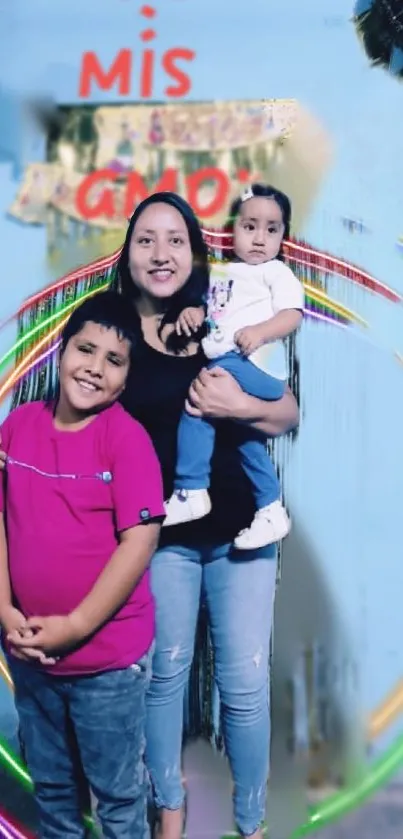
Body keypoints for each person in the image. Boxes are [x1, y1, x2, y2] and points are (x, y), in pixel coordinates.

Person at [0, 192, 299, 839]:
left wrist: (233, 406)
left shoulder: (221, 313)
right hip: (157, 533)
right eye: (145, 239)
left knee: (242, 682)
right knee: (162, 675)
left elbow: (286, 413)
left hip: (242, 528)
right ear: (128, 253)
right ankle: (168, 814)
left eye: (174, 239)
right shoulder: (107, 335)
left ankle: (250, 824)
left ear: (193, 249)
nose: (160, 253)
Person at [0, 291, 165, 839]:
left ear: (126, 378)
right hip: (31, 659)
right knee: (52, 793)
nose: (94, 368)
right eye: (85, 349)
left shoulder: (126, 442)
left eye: (113, 360)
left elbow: (138, 544)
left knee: (118, 801)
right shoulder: (18, 427)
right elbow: (2, 518)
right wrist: (4, 609)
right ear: (60, 351)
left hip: (108, 666)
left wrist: (74, 626)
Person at [164, 184, 304, 549]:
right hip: (233, 360)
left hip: (254, 367)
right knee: (246, 439)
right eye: (250, 226)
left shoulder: (275, 273)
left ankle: (191, 488)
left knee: (200, 398)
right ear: (233, 229)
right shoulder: (221, 272)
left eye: (272, 230)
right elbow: (214, 310)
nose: (260, 238)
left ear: (282, 237)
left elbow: (292, 315)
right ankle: (270, 509)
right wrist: (195, 312)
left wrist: (260, 331)